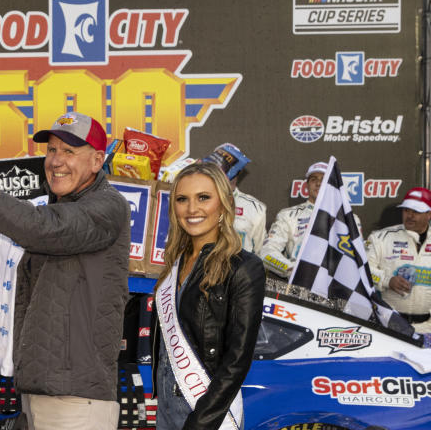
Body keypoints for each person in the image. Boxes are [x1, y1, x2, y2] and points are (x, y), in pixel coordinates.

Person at [0, 111, 130, 429]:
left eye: (69, 151)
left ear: (97, 161)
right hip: (37, 393)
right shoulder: (49, 209)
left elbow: (37, 230)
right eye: (52, 150)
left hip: (76, 400)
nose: (56, 161)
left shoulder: (107, 207)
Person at [152, 161, 265, 430]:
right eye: (182, 199)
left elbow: (237, 361)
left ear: (224, 203)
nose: (192, 209)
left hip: (206, 413)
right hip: (165, 408)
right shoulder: (173, 264)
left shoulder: (243, 267)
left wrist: (200, 423)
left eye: (203, 197)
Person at [260, 161, 364, 279]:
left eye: (324, 179)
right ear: (306, 185)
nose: (319, 183)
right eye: (314, 179)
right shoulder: (288, 215)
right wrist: (291, 269)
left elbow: (361, 259)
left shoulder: (350, 219)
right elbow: (266, 253)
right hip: (301, 284)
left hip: (338, 286)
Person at [366, 186, 431, 325]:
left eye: (416, 211)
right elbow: (363, 271)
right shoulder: (380, 238)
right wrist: (387, 280)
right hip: (391, 324)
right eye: (406, 210)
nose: (410, 215)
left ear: (429, 214)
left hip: (428, 327)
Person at [203, 143, 267, 253]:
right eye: (224, 166)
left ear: (240, 170)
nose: (228, 173)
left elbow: (260, 252)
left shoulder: (255, 207)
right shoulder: (196, 200)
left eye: (233, 167)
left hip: (240, 268)